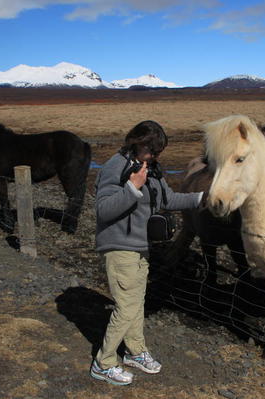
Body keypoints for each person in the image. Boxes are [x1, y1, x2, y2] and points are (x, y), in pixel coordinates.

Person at [91, 120, 204, 386]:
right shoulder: (115, 167)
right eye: (152, 151)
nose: (155, 156)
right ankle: (103, 363)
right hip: (119, 246)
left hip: (141, 247)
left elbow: (168, 200)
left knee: (136, 302)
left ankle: (135, 351)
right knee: (127, 305)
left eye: (158, 152)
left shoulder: (150, 168)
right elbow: (103, 210)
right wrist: (132, 188)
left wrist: (202, 198)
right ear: (137, 143)